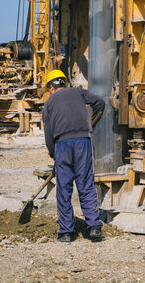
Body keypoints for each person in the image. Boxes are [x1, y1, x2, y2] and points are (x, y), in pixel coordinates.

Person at [42, 69, 105, 242]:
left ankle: (67, 232)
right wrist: (91, 125)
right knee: (85, 183)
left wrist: (54, 155)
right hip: (83, 142)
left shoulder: (49, 103)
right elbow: (99, 103)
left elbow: (48, 134)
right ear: (63, 83)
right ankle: (93, 227)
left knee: (64, 188)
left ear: (51, 88)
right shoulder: (78, 92)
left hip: (62, 143)